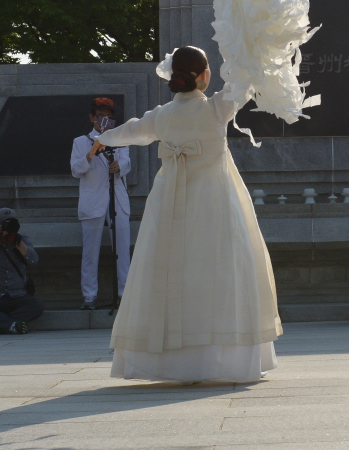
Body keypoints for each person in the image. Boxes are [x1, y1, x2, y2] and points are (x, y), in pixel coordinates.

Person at [93, 45, 281, 383]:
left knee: (166, 269)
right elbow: (243, 83)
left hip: (169, 199)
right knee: (220, 269)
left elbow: (132, 131)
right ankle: (224, 357)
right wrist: (255, 47)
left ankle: (166, 359)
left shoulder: (161, 115)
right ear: (205, 76)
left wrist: (103, 139)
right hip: (215, 199)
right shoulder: (215, 108)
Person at [71, 97, 131, 309]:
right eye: (101, 116)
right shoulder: (80, 141)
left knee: (122, 249)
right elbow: (76, 170)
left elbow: (126, 162)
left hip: (117, 199)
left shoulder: (120, 138)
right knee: (90, 251)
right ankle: (89, 296)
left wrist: (119, 166)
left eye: (109, 117)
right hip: (92, 200)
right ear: (92, 117)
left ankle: (124, 293)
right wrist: (92, 151)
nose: (105, 120)